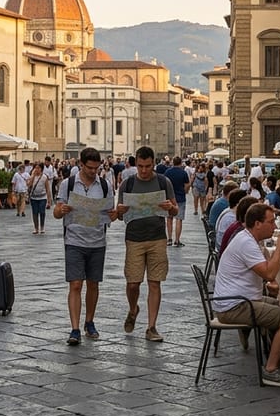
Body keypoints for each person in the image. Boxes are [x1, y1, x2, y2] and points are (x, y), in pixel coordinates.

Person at [213, 203, 280, 387]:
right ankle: (271, 370)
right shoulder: (246, 242)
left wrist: (270, 285)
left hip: (239, 300)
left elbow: (262, 273)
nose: (274, 227)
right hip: (235, 306)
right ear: (257, 224)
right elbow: (269, 273)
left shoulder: (248, 239)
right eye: (271, 222)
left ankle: (275, 356)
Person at [55, 147, 121, 345]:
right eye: (90, 168)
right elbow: (57, 213)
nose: (93, 171)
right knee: (75, 284)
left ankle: (89, 321)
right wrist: (61, 209)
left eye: (96, 168)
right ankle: (74, 328)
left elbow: (111, 214)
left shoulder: (105, 185)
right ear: (81, 164)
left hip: (97, 241)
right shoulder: (68, 184)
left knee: (93, 284)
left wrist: (114, 214)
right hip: (74, 240)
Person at [116, 145, 178, 342]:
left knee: (154, 282)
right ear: (136, 164)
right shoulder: (127, 184)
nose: (144, 170)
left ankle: (151, 327)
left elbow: (174, 210)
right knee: (133, 283)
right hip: (134, 238)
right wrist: (120, 211)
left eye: (148, 166)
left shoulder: (163, 181)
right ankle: (133, 309)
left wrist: (171, 208)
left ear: (154, 164)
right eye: (140, 166)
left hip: (157, 237)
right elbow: (119, 216)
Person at [164, 156, 191, 247]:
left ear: (173, 162)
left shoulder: (167, 172)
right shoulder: (183, 173)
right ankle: (177, 240)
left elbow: (164, 184)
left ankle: (169, 239)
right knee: (179, 219)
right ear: (180, 163)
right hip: (180, 198)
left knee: (169, 218)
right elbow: (187, 185)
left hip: (169, 198)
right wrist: (185, 191)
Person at [25, 164, 51, 235]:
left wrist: (49, 201)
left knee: (42, 212)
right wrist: (32, 176)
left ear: (41, 169)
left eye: (38, 168)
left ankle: (42, 227)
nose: (37, 169)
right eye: (35, 168)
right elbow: (29, 185)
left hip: (42, 197)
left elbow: (47, 189)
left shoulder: (44, 177)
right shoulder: (32, 177)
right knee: (35, 213)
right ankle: (36, 228)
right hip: (34, 197)